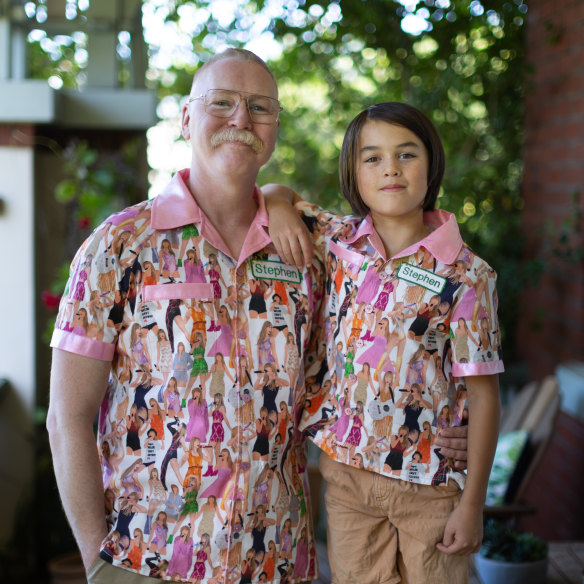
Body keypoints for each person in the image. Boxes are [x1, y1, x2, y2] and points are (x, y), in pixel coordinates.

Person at [47, 48, 469, 584]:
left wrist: (456, 414)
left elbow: (420, 291)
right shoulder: (119, 245)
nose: (241, 119)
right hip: (146, 560)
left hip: (275, 560)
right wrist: (96, 562)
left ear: (274, 128)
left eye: (260, 107)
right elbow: (66, 418)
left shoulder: (319, 247)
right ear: (184, 119)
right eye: (221, 102)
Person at [263, 101, 502, 583]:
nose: (390, 168)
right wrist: (274, 203)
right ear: (353, 174)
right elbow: (274, 189)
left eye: (406, 154)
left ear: (431, 165)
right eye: (372, 157)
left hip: (431, 485)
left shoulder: (466, 274)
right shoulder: (337, 240)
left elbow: (484, 394)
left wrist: (473, 504)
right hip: (347, 478)